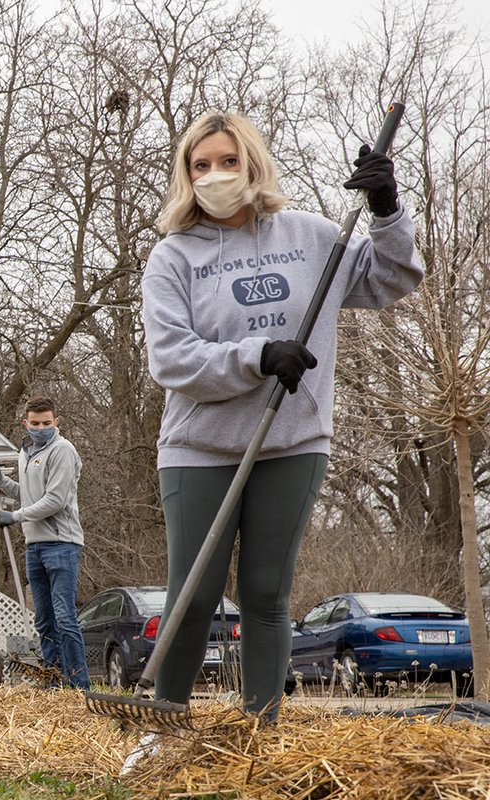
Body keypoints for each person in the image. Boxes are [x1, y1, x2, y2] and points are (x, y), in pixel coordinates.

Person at [140, 110, 422, 721]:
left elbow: (393, 277)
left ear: (252, 163)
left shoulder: (310, 236)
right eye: (201, 165)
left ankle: (259, 733)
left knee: (266, 594)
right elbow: (172, 360)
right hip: (201, 447)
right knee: (194, 595)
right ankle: (165, 724)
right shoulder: (173, 258)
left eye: (228, 161)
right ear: (186, 176)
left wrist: (385, 207)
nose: (215, 175)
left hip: (292, 441)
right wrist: (259, 356)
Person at [0, 396, 89, 690]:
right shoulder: (26, 452)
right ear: (26, 423)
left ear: (56, 422)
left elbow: (54, 501)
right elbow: (32, 495)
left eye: (47, 423)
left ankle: (79, 686)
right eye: (35, 423)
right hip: (35, 547)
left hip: (62, 543)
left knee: (65, 617)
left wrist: (14, 516)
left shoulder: (62, 451)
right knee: (43, 620)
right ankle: (53, 683)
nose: (41, 428)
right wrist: (2, 481)